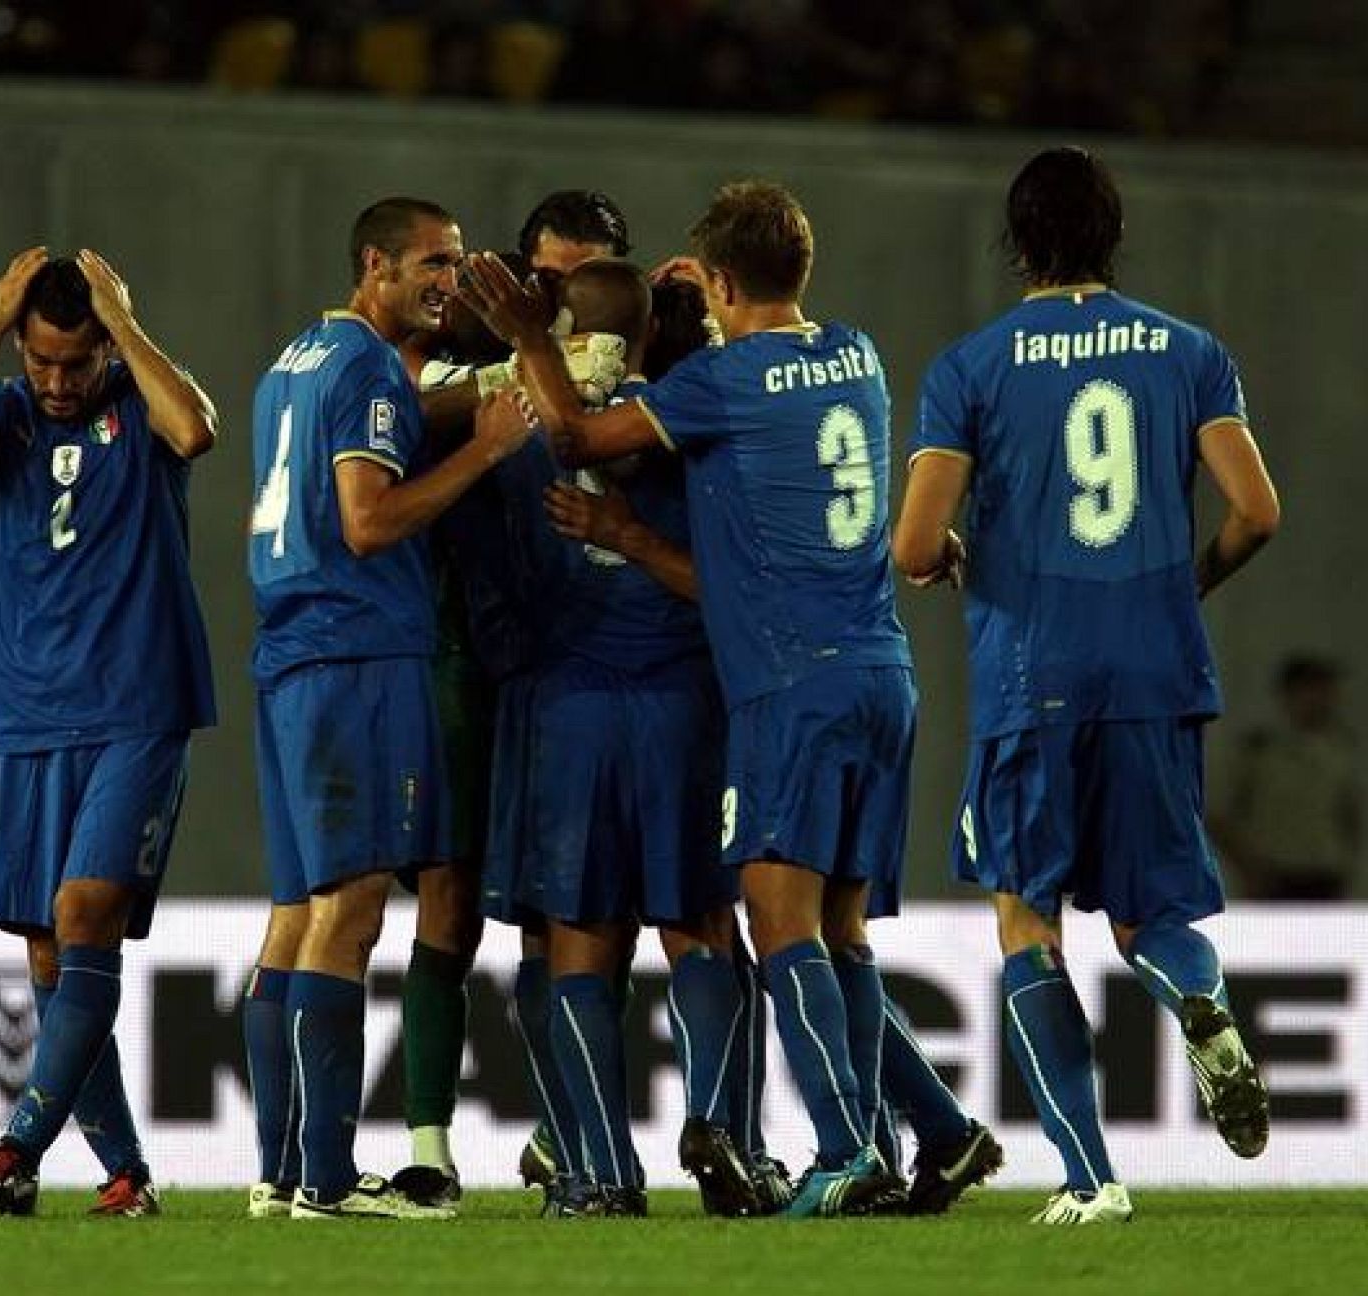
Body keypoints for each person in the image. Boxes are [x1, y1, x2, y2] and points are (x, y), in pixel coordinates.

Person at [462, 181, 914, 1218]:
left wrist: (530, 340)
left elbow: (557, 461)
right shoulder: (849, 354)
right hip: (742, 691)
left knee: (586, 941)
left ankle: (607, 1174)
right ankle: (761, 1136)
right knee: (735, 932)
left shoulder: (561, 418)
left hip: (598, 701)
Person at [893, 146, 1281, 1225]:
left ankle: (1088, 1177)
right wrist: (1178, 591)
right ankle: (1198, 998)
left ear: (1016, 242)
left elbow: (916, 544)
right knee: (1152, 910)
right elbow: (1257, 512)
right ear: (1113, 235)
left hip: (1035, 672)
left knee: (1027, 920)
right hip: (1157, 668)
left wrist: (948, 558)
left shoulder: (971, 366)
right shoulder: (1189, 351)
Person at [242, 196, 530, 1221]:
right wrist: (489, 447)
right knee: (354, 914)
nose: (449, 281)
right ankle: (325, 1178)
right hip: (358, 647)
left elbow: (369, 443)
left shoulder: (299, 361)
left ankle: (279, 1176)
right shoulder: (368, 368)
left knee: (299, 916)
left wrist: (488, 389)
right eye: (433, 264)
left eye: (454, 266)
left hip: (289, 649)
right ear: (376, 264)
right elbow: (368, 522)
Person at [0, 249, 218, 1217]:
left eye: (73, 365)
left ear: (102, 349)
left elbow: (196, 430)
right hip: (31, 713)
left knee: (86, 911)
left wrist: (123, 326)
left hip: (138, 704)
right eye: (40, 362)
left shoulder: (140, 398)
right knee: (51, 954)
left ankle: (14, 1151)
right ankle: (125, 1175)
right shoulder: (1, 413)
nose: (55, 382)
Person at [392, 191, 632, 1209]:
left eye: (581, 279)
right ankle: (428, 1149)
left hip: (589, 670)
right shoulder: (462, 346)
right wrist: (524, 363)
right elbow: (404, 409)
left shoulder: (644, 362)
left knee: (576, 916)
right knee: (448, 902)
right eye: (543, 277)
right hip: (469, 663)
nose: (558, 297)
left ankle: (566, 1134)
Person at [1210, 654, 1359, 901]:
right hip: (1274, 876)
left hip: (1325, 877)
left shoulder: (1340, 748)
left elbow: (1348, 813)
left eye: (1328, 690)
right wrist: (1249, 867)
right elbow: (1217, 816)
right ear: (1289, 694)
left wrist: (1346, 864)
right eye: (1313, 689)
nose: (1324, 699)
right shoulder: (1259, 750)